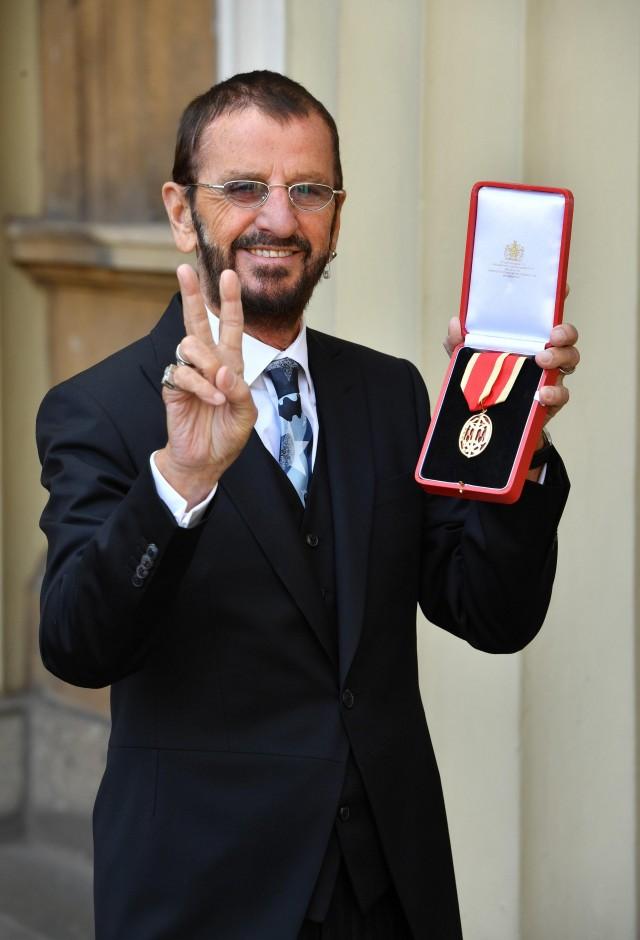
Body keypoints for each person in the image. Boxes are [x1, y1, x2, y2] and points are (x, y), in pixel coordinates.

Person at [36, 71, 578, 940]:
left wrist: (524, 450)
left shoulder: (390, 392)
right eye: (243, 188)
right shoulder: (100, 409)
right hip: (203, 897)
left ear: (335, 214)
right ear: (182, 210)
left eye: (307, 190)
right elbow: (76, 643)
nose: (279, 219)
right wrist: (180, 478)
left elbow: (491, 613)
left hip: (391, 894)